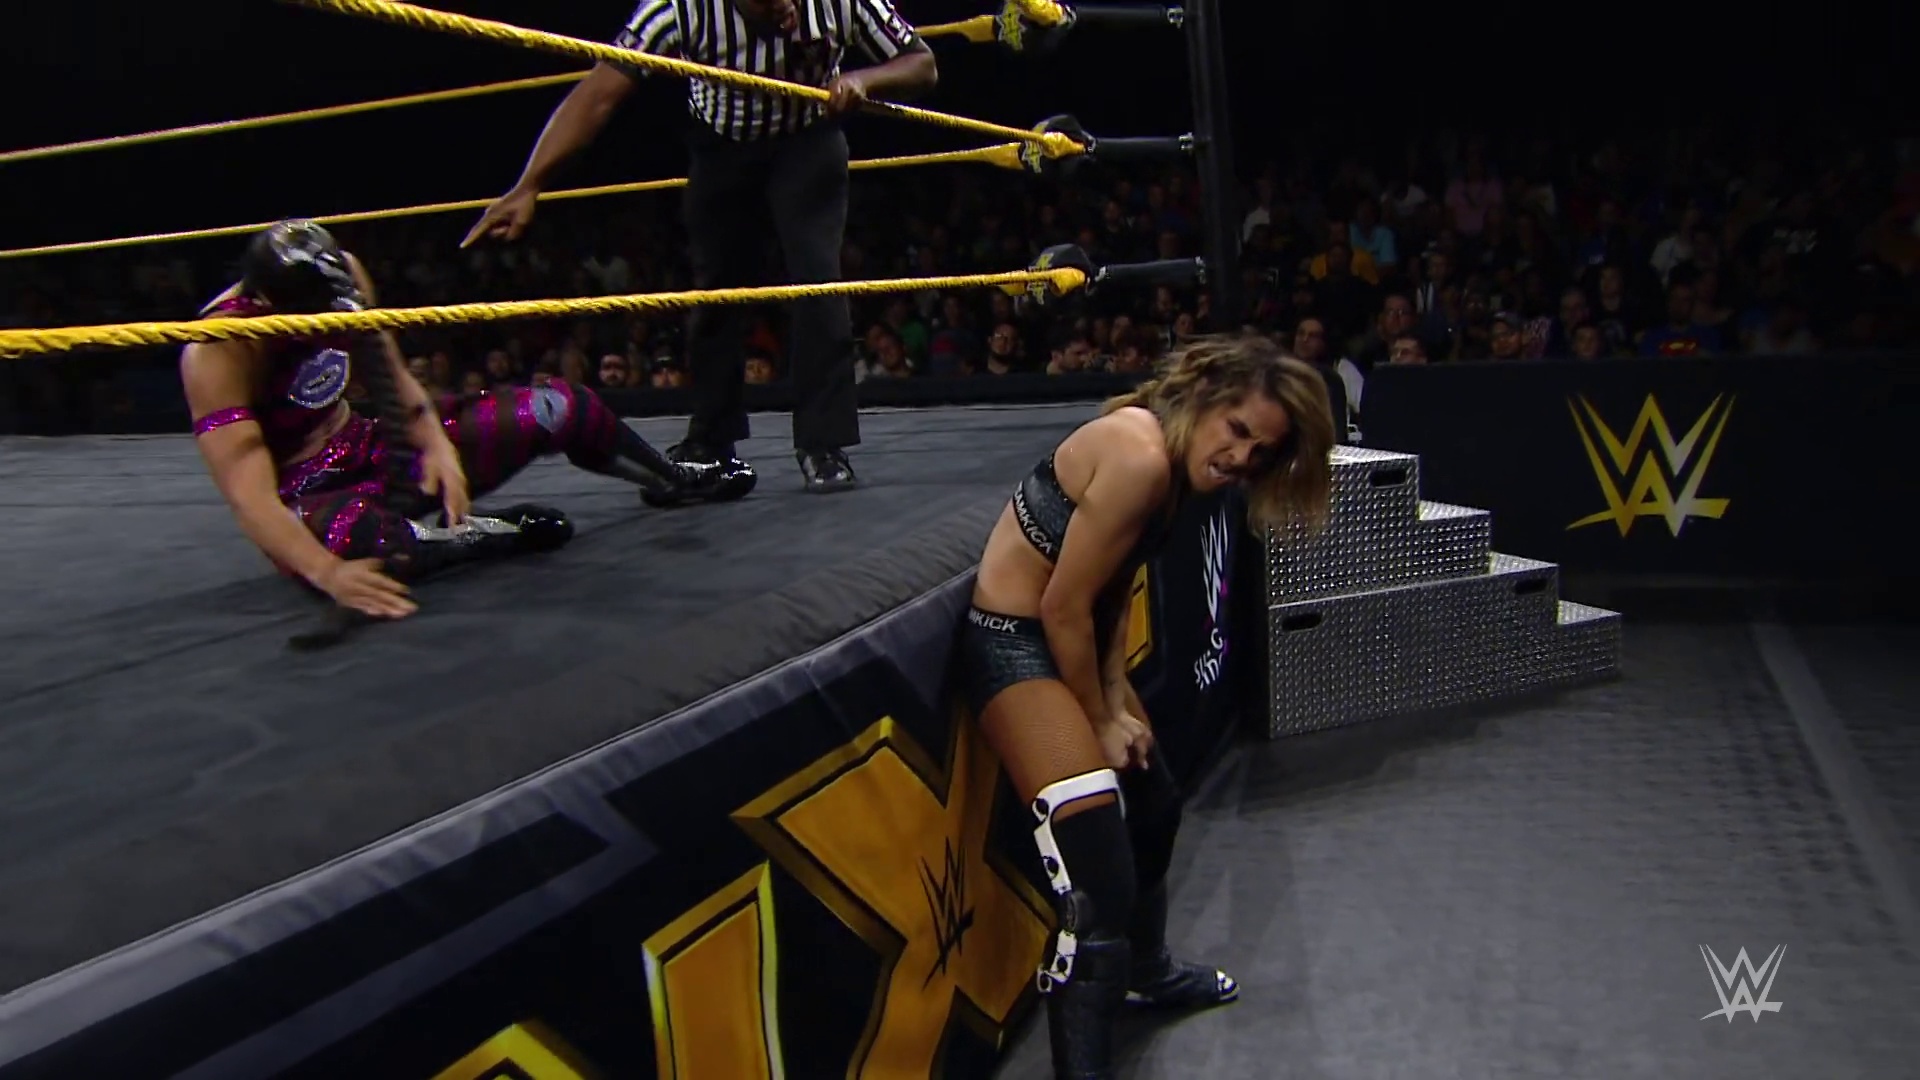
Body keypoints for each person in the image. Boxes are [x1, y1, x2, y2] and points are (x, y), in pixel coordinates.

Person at [957, 334, 1337, 1079]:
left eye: (1261, 452)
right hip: (1013, 638)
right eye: (1237, 430)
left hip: (1067, 633)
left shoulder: (1171, 458)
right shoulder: (1141, 457)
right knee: (1099, 879)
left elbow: (1107, 592)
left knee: (1154, 800)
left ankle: (1147, 968)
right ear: (1205, 399)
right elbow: (1062, 605)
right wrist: (1100, 717)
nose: (1241, 458)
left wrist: (1112, 694)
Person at [464, 0, 939, 495]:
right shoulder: (677, 9)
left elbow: (922, 63)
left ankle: (824, 443)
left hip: (807, 138)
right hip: (721, 144)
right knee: (717, 292)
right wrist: (530, 184)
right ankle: (711, 438)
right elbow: (599, 93)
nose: (786, 7)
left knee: (818, 281)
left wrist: (866, 80)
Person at [180, 220, 739, 620]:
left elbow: (388, 370)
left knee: (555, 406)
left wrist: (435, 443)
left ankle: (671, 478)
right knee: (370, 544)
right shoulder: (219, 350)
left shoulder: (343, 279)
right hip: (309, 498)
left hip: (370, 445)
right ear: (272, 306)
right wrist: (326, 574)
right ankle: (480, 535)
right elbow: (250, 497)